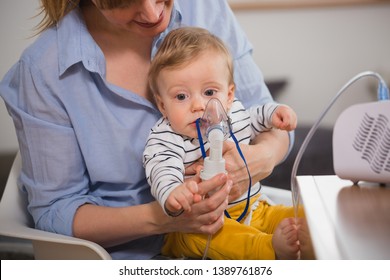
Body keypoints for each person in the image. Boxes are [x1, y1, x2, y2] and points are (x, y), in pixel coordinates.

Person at [0, 0, 295, 259]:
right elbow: (55, 211)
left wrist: (260, 157)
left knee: (313, 225)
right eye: (122, 2)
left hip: (252, 207)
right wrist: (170, 214)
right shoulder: (44, 70)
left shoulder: (205, 7)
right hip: (142, 256)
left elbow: (265, 118)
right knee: (248, 245)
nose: (152, 13)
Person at [144, 27, 299, 260]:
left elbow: (255, 118)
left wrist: (275, 112)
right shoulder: (167, 138)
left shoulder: (234, 111)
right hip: (200, 225)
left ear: (229, 95)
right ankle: (269, 251)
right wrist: (174, 193)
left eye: (209, 92)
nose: (198, 106)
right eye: (181, 97)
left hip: (254, 208)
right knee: (224, 238)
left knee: (301, 219)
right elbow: (160, 168)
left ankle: (313, 235)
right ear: (163, 105)